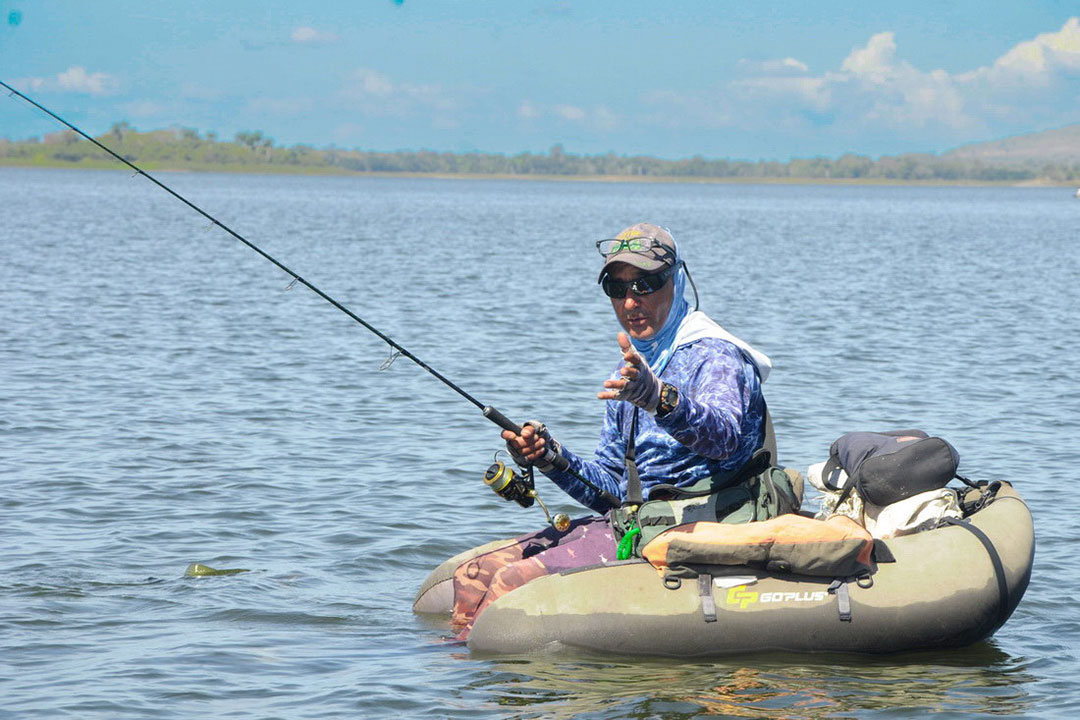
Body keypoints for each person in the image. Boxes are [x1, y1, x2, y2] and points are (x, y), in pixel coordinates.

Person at [451, 222, 772, 638]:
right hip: (637, 521)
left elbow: (722, 435)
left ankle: (467, 684)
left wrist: (658, 397)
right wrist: (547, 456)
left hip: (703, 521)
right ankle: (451, 685)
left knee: (509, 585)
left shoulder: (715, 355)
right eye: (617, 289)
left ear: (676, 280)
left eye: (646, 284)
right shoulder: (632, 372)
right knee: (472, 575)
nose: (631, 301)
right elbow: (611, 491)